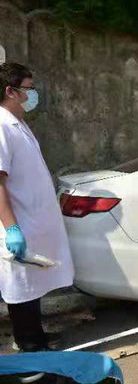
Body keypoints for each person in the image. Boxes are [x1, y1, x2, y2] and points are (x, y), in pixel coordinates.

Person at [0, 62, 74, 352]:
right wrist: (12, 229)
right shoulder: (2, 127)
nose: (34, 94)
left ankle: (36, 339)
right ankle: (31, 356)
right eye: (29, 88)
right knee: (21, 291)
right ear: (11, 91)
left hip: (32, 224)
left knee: (31, 291)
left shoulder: (17, 124)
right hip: (17, 227)